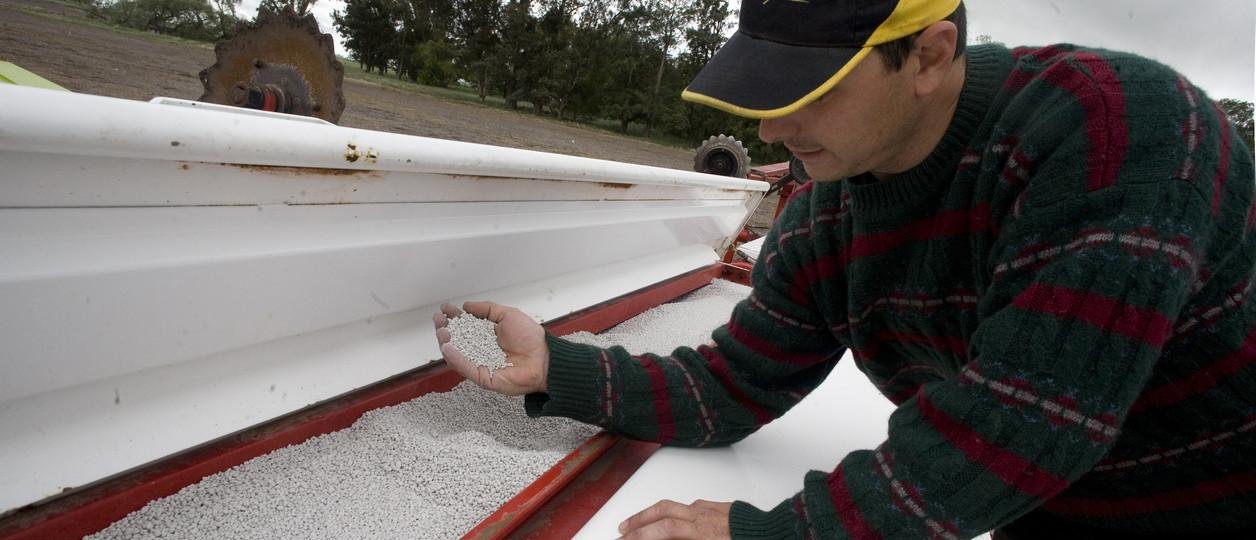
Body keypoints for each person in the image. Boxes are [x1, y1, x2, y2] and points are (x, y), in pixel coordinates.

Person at [433, 0, 1256, 537]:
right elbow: (733, 384)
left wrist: (777, 532)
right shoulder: (832, 211)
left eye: (809, 89)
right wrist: (562, 368)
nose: (769, 129)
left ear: (928, 55)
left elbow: (1019, 422)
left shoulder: (1117, 132)